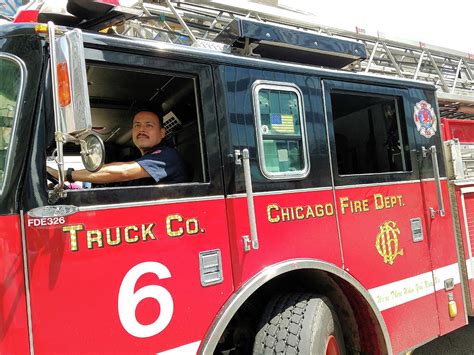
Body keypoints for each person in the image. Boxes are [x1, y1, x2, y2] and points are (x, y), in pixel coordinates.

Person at [47, 111, 189, 186]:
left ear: (162, 133)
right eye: (137, 125)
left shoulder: (167, 156)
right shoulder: (142, 160)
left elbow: (123, 171)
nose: (141, 129)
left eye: (149, 125)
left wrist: (66, 175)